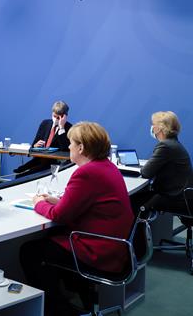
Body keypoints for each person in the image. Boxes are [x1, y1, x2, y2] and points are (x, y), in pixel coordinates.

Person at [20, 122, 134, 315]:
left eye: (71, 143)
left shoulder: (86, 173)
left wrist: (39, 202)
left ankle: (57, 310)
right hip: (115, 246)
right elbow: (84, 202)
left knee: (30, 251)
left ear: (81, 147)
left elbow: (59, 215)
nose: (69, 147)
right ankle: (76, 299)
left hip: (98, 250)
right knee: (53, 239)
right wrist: (57, 200)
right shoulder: (106, 167)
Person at [131, 111, 193, 214]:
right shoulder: (174, 144)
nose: (152, 127)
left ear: (159, 128)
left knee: (132, 199)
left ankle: (135, 229)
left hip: (175, 198)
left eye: (153, 124)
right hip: (183, 195)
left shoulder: (165, 146)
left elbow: (146, 172)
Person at [14, 101, 72, 178]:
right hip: (39, 159)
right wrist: (35, 145)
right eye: (54, 116)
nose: (55, 119)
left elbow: (66, 150)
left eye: (58, 118)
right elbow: (33, 145)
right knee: (19, 172)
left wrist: (61, 128)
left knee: (24, 176)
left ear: (64, 116)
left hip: (52, 163)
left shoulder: (69, 128)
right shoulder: (45, 123)